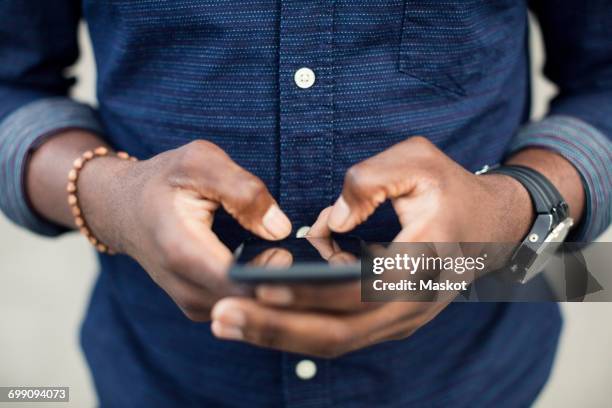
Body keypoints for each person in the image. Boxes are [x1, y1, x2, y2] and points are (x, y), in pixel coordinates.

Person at [0, 1, 610, 407]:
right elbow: (12, 83)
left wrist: (513, 211)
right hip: (157, 376)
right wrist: (110, 198)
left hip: (480, 375)